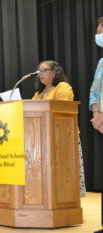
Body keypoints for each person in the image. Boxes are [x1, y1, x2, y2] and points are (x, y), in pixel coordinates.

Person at [32, 60, 86, 197]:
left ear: (54, 72)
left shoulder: (63, 87)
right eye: (39, 71)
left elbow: (61, 109)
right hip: (42, 139)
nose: (40, 74)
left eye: (43, 70)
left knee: (64, 175)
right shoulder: (40, 93)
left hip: (63, 137)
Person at [89, 16, 103, 233]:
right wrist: (96, 113)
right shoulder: (102, 62)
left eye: (101, 31)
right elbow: (95, 90)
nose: (98, 35)